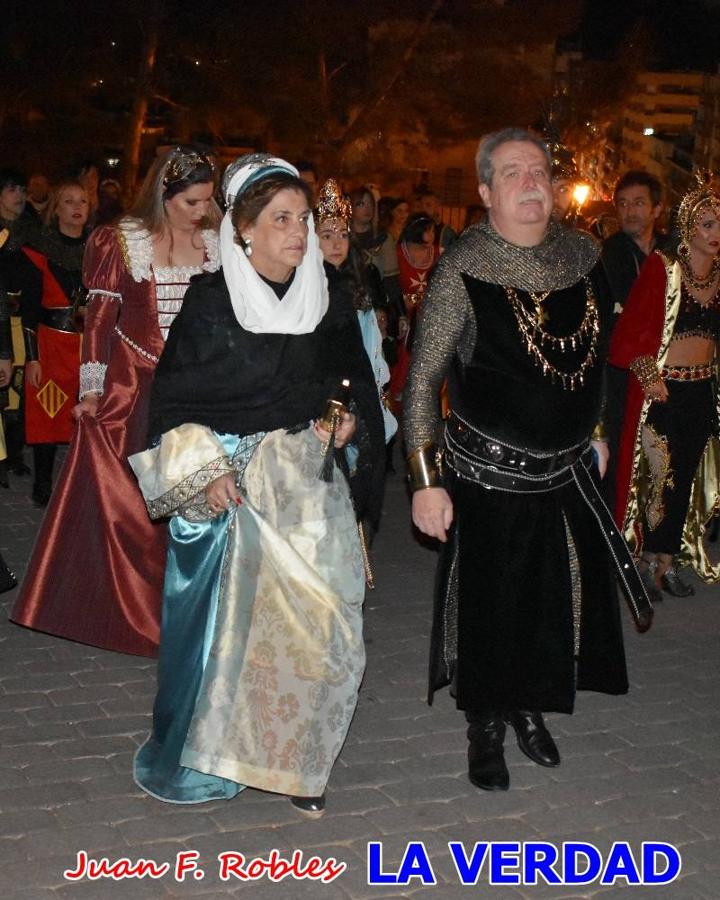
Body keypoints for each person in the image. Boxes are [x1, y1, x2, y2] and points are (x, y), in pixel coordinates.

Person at [128, 153, 381, 816]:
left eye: (302, 218)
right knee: (226, 636)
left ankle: (298, 759)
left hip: (302, 481)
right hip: (229, 484)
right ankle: (211, 756)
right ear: (242, 230)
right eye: (281, 219)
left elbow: (347, 386)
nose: (299, 232)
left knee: (325, 622)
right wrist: (203, 473)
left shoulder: (324, 296)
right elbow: (172, 402)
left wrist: (344, 422)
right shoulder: (213, 304)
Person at [404, 127, 648, 793]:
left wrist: (596, 428)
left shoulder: (582, 255)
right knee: (490, 606)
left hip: (565, 472)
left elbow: (594, 359)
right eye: (512, 173)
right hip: (484, 475)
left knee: (549, 603)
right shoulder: (462, 271)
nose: (531, 182)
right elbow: (422, 382)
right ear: (485, 191)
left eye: (539, 170)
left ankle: (528, 707)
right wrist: (426, 482)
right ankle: (485, 724)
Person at [11, 146, 220, 657]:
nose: (202, 212)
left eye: (208, 201)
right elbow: (100, 323)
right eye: (192, 202)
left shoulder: (219, 243)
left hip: (196, 389)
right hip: (135, 382)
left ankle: (194, 614)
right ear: (165, 196)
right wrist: (90, 390)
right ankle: (131, 612)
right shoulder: (122, 242)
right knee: (130, 505)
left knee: (196, 502)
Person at [610, 172, 720, 600]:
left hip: (700, 393)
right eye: (707, 224)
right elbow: (627, 334)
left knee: (687, 482)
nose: (715, 233)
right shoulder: (664, 268)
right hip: (663, 393)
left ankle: (667, 562)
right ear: (688, 226)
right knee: (657, 479)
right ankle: (638, 559)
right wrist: (648, 373)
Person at [315, 177, 397, 456]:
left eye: (343, 234)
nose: (337, 242)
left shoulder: (359, 278)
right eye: (327, 235)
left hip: (356, 385)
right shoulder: (310, 287)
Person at [20, 181, 89, 506]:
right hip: (51, 346)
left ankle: (81, 485)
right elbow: (30, 310)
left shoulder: (99, 250)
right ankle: (43, 482)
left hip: (89, 348)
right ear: (56, 208)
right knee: (47, 414)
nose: (77, 207)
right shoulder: (39, 251)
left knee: (89, 418)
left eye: (83, 201)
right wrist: (32, 358)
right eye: (68, 200)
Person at [601, 171, 668, 506]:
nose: (630, 212)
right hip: (620, 372)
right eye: (623, 204)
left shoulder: (673, 252)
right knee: (619, 448)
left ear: (657, 209)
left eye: (639, 203)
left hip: (669, 368)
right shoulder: (607, 255)